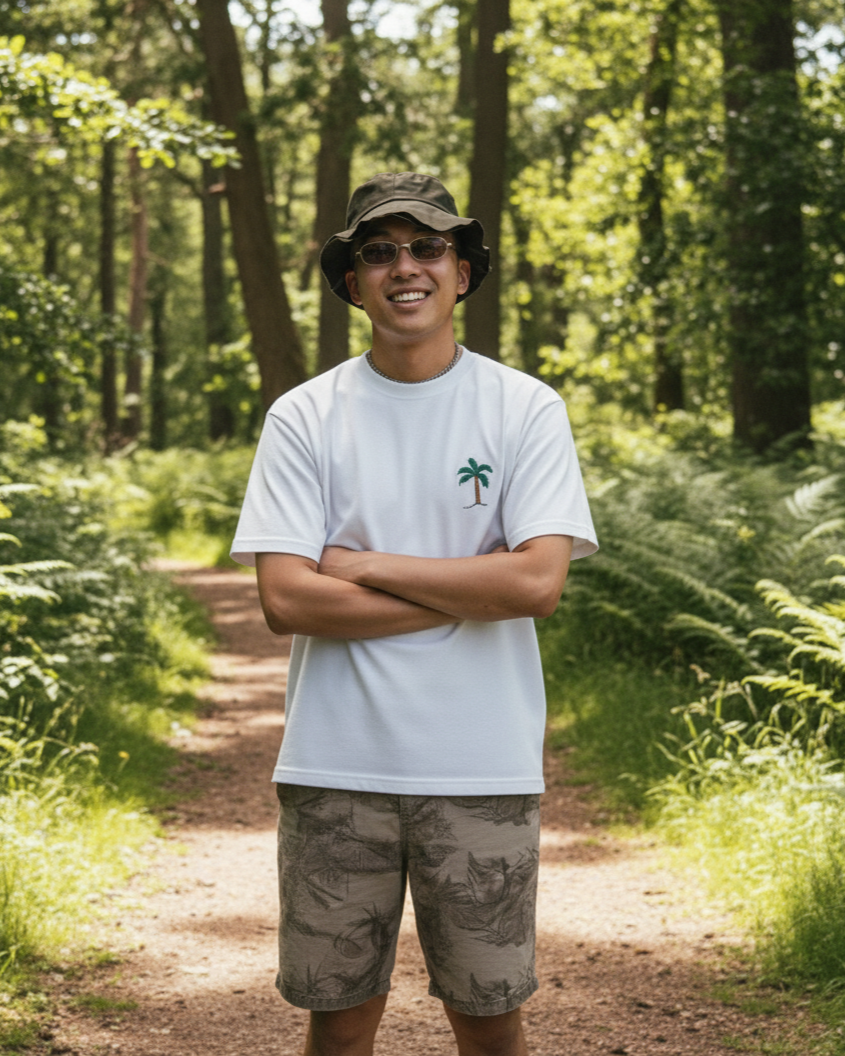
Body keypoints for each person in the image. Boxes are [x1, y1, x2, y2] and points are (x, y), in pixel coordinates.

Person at [230, 171, 598, 1056]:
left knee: (488, 1017)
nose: (406, 266)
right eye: (379, 250)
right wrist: (465, 588)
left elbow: (536, 586)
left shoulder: (524, 409)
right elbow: (285, 599)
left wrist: (367, 569)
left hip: (481, 765)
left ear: (461, 271)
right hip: (334, 762)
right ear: (352, 280)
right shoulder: (303, 417)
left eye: (427, 246)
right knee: (339, 1017)